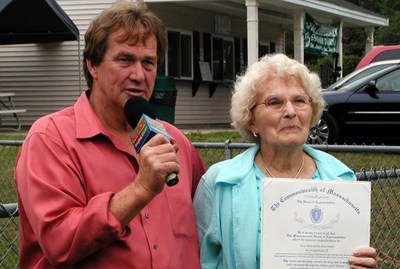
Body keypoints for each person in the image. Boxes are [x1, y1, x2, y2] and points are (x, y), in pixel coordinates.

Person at [14, 1, 205, 268]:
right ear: (92, 65)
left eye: (148, 62)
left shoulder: (175, 142)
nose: (139, 75)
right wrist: (140, 190)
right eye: (125, 59)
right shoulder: (50, 139)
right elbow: (59, 243)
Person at [193, 53, 377, 269]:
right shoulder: (219, 183)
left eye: (299, 100)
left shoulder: (343, 180)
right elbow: (197, 260)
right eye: (275, 102)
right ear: (251, 120)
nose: (290, 111)